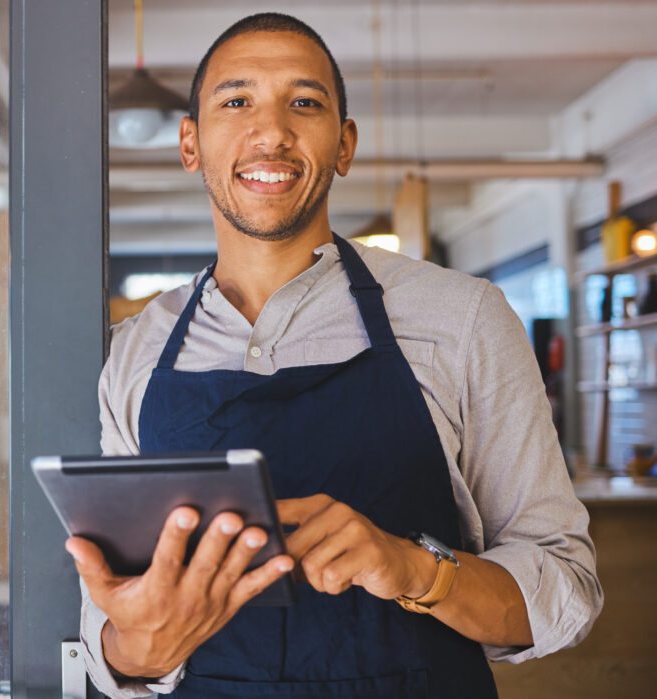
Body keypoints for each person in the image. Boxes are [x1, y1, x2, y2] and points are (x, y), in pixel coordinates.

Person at [65, 12, 603, 699]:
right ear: (189, 143)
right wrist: (135, 650)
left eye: (305, 103)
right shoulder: (135, 349)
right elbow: (112, 630)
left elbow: (568, 589)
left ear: (344, 144)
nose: (272, 131)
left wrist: (413, 567)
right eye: (237, 102)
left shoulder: (465, 317)